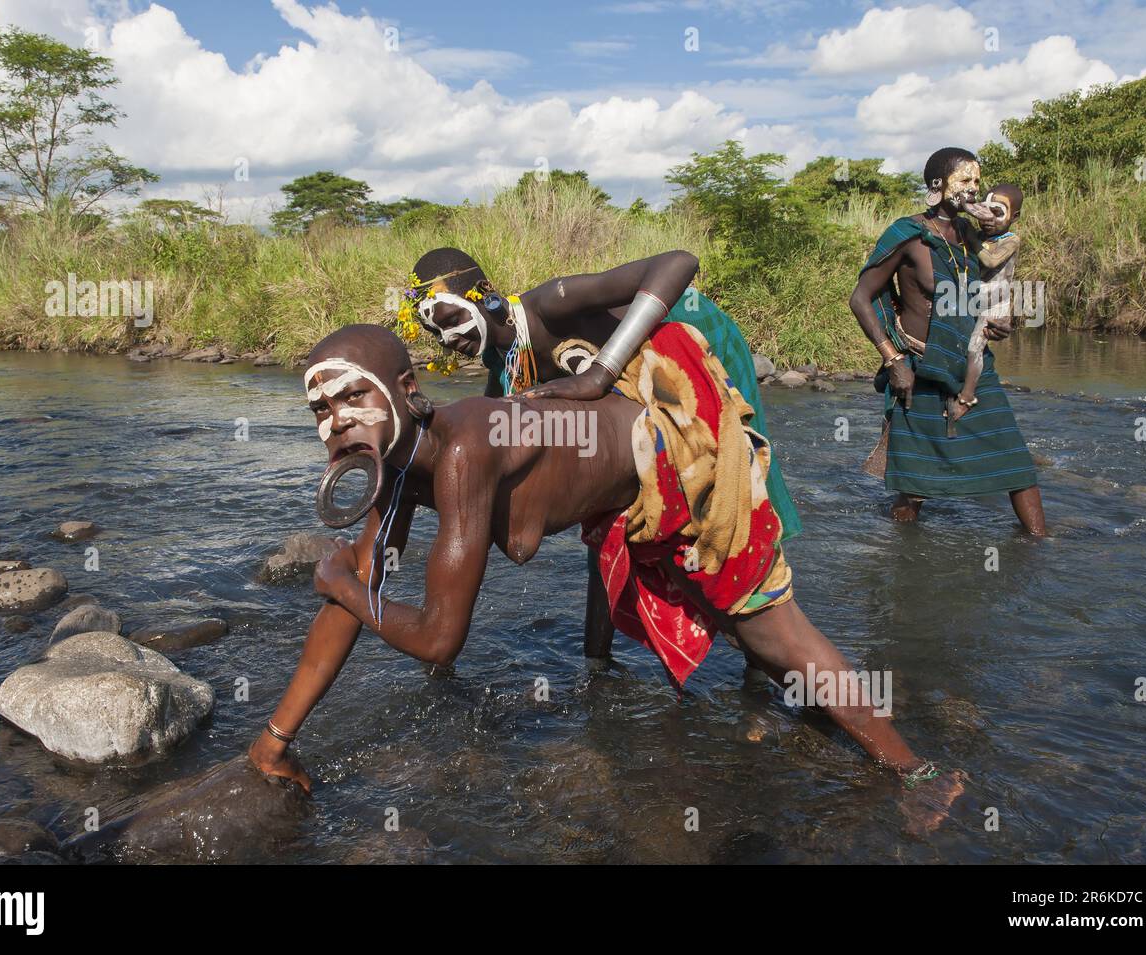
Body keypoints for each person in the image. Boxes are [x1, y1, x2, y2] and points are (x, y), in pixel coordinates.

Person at [247, 323, 963, 829]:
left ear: (406, 391)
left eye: (351, 398)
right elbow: (356, 589)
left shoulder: (464, 451)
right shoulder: (400, 467)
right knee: (747, 635)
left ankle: (918, 771)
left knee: (772, 629)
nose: (336, 421)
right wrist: (275, 739)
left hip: (680, 457)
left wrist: (341, 582)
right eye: (320, 409)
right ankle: (820, 723)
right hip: (624, 491)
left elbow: (436, 638)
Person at [398, 247, 804, 658]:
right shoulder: (503, 363)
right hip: (634, 390)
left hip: (693, 338)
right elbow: (488, 437)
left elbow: (678, 263)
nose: (448, 338)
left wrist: (600, 372)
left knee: (742, 481)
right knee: (602, 515)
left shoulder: (551, 303)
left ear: (485, 294)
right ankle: (597, 663)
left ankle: (768, 642)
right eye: (436, 334)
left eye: (449, 320)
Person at [848, 147, 1045, 535]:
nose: (974, 190)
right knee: (913, 482)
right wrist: (893, 360)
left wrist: (1002, 326)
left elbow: (985, 298)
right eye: (965, 181)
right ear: (937, 185)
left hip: (972, 363)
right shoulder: (908, 234)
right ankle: (903, 557)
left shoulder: (973, 238)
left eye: (977, 181)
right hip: (918, 367)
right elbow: (861, 298)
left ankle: (1043, 546)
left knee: (1015, 462)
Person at [953, 183, 1024, 425]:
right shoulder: (982, 236)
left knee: (975, 347)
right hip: (974, 298)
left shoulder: (1011, 240)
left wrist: (969, 234)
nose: (989, 219)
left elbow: (990, 260)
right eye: (986, 210)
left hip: (995, 304)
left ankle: (967, 397)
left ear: (1014, 216)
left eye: (998, 213)